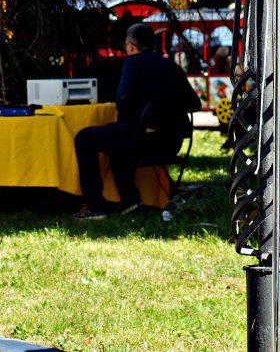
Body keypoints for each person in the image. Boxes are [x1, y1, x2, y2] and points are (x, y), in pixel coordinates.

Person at [73, 23, 201, 220]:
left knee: (84, 138)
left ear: (131, 46)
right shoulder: (172, 66)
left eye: (126, 46)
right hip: (171, 143)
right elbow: (194, 104)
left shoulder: (132, 63)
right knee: (116, 136)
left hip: (146, 141)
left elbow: (122, 98)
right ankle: (130, 201)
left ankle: (95, 206)